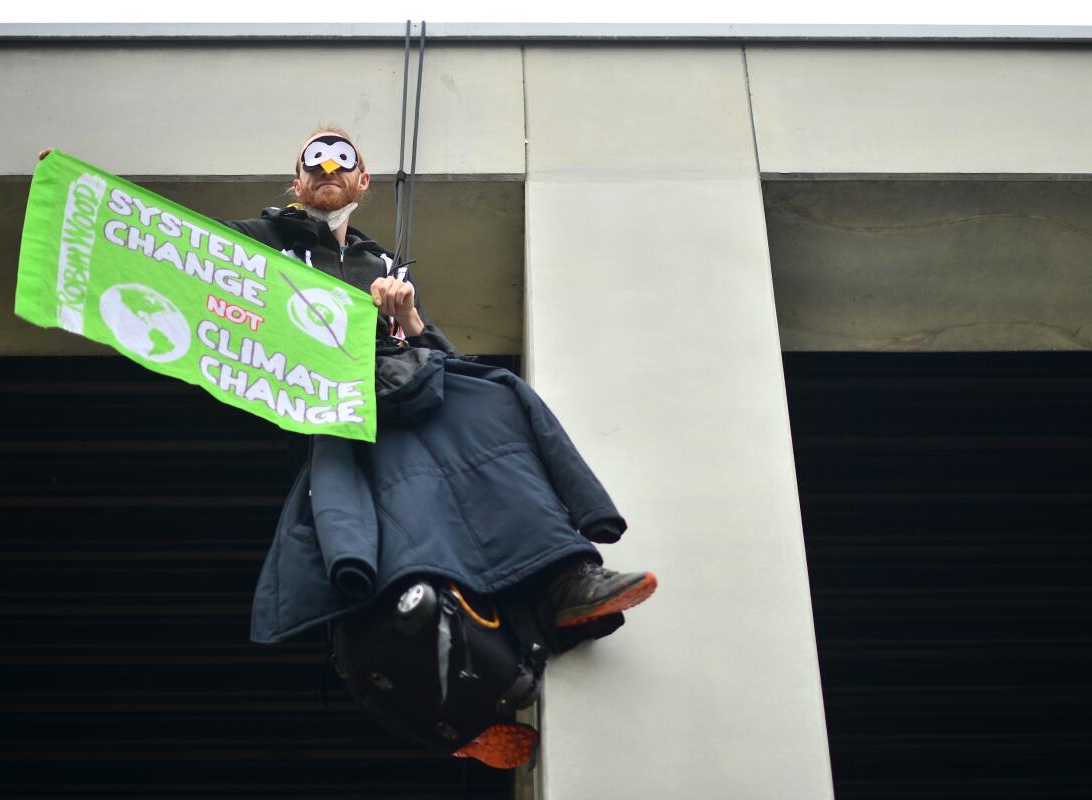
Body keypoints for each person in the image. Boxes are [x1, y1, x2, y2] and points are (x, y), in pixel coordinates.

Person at [38, 128, 657, 764]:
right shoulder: (261, 245)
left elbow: (444, 358)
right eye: (315, 159)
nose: (328, 167)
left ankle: (567, 580)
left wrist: (409, 319)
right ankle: (453, 712)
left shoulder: (382, 267)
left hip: (405, 400)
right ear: (297, 180)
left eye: (344, 161)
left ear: (364, 183)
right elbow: (173, 251)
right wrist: (90, 207)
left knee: (496, 396)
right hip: (337, 418)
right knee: (392, 557)